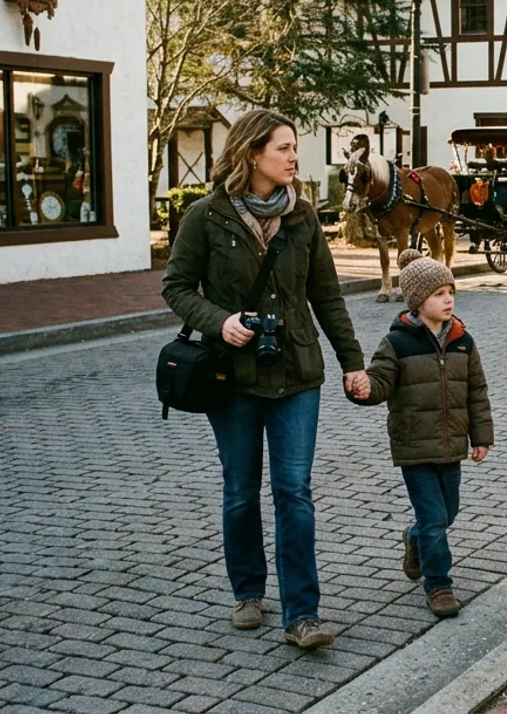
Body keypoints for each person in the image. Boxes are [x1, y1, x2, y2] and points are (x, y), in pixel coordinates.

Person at [162, 108, 368, 649]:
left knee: (294, 491)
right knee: (239, 491)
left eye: (293, 147)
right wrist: (220, 322)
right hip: (232, 376)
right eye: (284, 148)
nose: (293, 156)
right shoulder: (205, 216)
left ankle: (303, 613)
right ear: (253, 154)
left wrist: (352, 362)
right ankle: (248, 591)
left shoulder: (303, 218)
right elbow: (177, 288)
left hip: (297, 374)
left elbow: (327, 296)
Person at [348, 250, 494, 619]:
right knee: (433, 520)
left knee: (447, 514)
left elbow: (477, 391)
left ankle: (413, 539)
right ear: (417, 301)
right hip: (414, 447)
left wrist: (481, 437)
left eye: (451, 292)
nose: (448, 300)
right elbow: (380, 381)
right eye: (439, 294)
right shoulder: (397, 343)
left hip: (452, 445)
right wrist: (364, 389)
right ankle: (439, 585)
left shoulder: (463, 340)